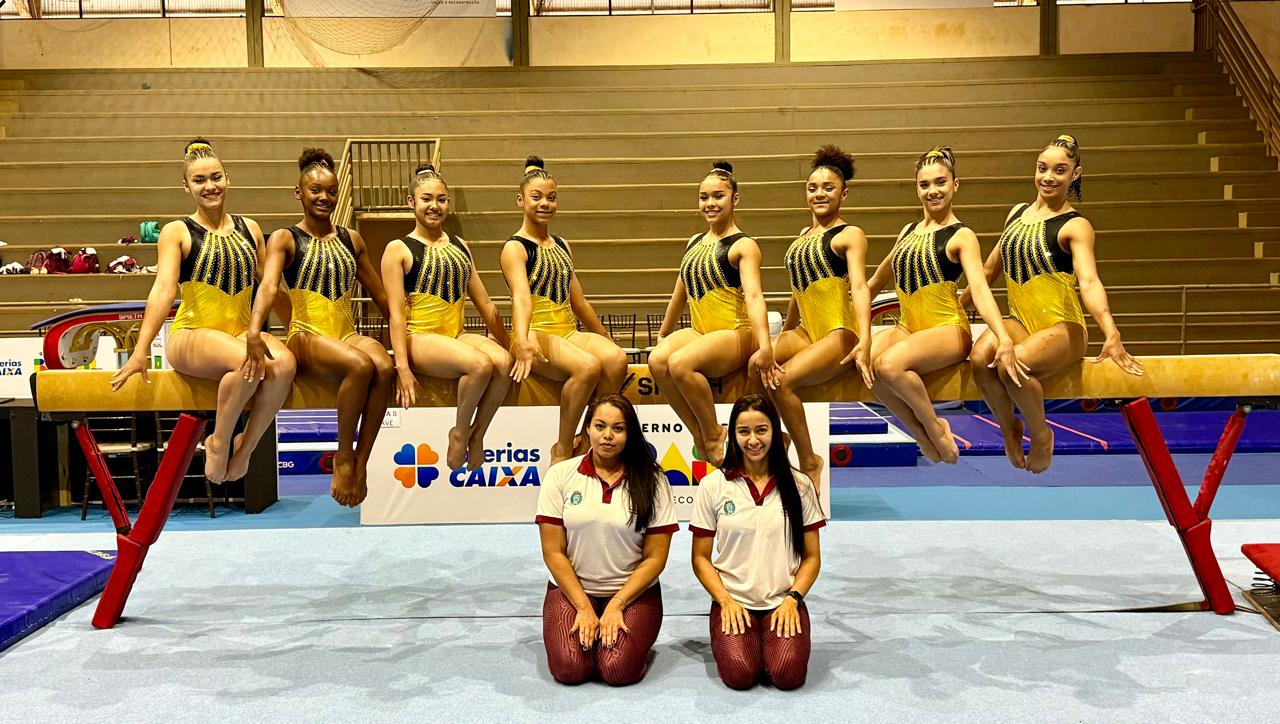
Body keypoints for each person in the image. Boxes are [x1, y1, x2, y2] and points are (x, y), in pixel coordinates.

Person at [110, 138, 296, 484]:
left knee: (284, 365)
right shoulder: (177, 231)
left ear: (228, 179)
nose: (210, 186)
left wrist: (298, 331)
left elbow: (272, 288)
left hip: (239, 333)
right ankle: (218, 441)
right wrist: (140, 350)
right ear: (186, 186)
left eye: (216, 177)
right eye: (199, 180)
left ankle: (246, 447)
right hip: (191, 335)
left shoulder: (250, 228)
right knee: (249, 361)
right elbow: (163, 289)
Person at [967, 135, 1143, 473]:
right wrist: (958, 306)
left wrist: (1111, 331)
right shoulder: (1016, 214)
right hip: (1021, 322)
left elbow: (1089, 281)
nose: (1048, 177)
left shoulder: (1075, 225)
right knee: (980, 360)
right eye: (1042, 168)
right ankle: (1009, 426)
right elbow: (988, 271)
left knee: (1012, 365)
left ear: (1075, 175)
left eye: (1060, 171)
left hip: (1064, 328)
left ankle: (1041, 434)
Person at [246, 147, 392, 506]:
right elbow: (269, 286)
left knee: (384, 366)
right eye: (315, 190)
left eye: (330, 191)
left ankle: (361, 462)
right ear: (299, 193)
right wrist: (254, 330)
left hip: (345, 333)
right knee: (361, 365)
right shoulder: (285, 238)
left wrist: (405, 345)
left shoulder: (351, 240)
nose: (323, 197)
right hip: (305, 334)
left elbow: (380, 295)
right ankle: (343, 456)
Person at [863, 147, 1024, 464]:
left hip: (948, 329)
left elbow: (980, 288)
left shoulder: (962, 235)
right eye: (924, 185)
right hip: (908, 328)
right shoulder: (908, 232)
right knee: (868, 364)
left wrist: (1003, 337)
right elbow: (875, 282)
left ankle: (935, 428)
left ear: (955, 184)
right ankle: (920, 433)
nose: (932, 191)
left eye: (940, 182)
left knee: (888, 365)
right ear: (917, 188)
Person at [536, 393, 678, 685]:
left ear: (630, 433)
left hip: (633, 594)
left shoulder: (654, 480)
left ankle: (630, 644)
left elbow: (655, 558)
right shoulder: (560, 475)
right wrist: (583, 606)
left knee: (616, 670)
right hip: (573, 591)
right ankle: (591, 634)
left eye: (618, 428)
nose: (607, 436)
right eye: (600, 426)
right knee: (570, 669)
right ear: (587, 428)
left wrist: (617, 604)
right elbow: (553, 552)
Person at [381, 163, 512, 470]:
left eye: (441, 199)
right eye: (426, 199)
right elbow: (396, 314)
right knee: (480, 365)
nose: (434, 206)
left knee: (504, 363)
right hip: (419, 336)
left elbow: (486, 304)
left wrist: (512, 347)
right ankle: (460, 432)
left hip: (456, 334)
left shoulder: (460, 245)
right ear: (411, 202)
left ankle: (478, 434)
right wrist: (402, 367)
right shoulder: (398, 249)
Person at [690, 394, 825, 690]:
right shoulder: (713, 485)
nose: (753, 440)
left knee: (787, 674)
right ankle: (751, 645)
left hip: (783, 600)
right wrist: (724, 600)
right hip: (733, 600)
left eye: (761, 430)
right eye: (744, 431)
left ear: (775, 432)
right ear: (733, 434)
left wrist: (793, 599)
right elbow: (700, 558)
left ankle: (768, 646)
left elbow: (812, 557)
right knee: (739, 675)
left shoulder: (800, 485)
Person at [649, 161, 778, 467]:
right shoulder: (694, 242)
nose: (710, 203)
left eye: (718, 196)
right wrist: (664, 332)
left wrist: (765, 346)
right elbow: (681, 290)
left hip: (736, 332)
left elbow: (754, 295)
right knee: (657, 361)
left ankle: (712, 432)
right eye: (704, 197)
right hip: (701, 332)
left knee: (680, 363)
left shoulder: (744, 245)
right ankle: (698, 434)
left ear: (735, 199)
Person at [500, 156, 629, 464]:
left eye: (552, 197)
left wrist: (604, 337)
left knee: (616, 359)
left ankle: (585, 437)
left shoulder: (561, 245)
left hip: (567, 332)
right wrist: (522, 342)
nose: (545, 203)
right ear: (520, 200)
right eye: (536, 197)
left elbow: (578, 301)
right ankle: (562, 447)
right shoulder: (515, 248)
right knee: (587, 367)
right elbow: (521, 298)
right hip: (533, 332)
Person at [758, 145, 872, 487]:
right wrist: (784, 334)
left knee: (782, 380)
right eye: (812, 188)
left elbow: (860, 287)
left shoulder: (850, 235)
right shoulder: (801, 239)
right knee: (756, 363)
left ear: (843, 194)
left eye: (828, 188)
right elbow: (799, 292)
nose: (819, 194)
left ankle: (809, 459)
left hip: (840, 332)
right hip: (807, 331)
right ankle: (780, 434)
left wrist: (866, 340)